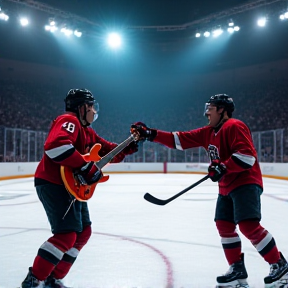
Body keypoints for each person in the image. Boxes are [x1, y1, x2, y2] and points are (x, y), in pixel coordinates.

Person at [131, 94, 288, 288]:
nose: (207, 112)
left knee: (248, 225)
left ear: (222, 110)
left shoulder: (234, 126)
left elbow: (248, 158)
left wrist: (223, 166)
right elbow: (179, 140)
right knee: (223, 224)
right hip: (226, 186)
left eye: (211, 108)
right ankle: (237, 268)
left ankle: (279, 264)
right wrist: (150, 134)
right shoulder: (208, 132)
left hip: (245, 183)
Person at [20, 88, 139, 288]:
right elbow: (55, 146)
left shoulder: (87, 131)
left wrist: (131, 143)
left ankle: (53, 278)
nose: (94, 111)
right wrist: (84, 167)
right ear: (81, 107)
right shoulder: (70, 120)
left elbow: (109, 152)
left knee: (83, 232)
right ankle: (34, 279)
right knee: (66, 234)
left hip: (71, 188)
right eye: (91, 106)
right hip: (54, 183)